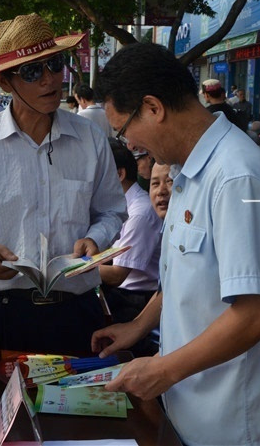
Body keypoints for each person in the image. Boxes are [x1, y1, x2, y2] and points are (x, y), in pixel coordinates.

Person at [93, 43, 260, 446]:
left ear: (153, 107)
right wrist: (139, 326)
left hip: (234, 423)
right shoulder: (186, 170)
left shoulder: (236, 176)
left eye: (124, 130)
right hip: (191, 408)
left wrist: (162, 370)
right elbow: (184, 276)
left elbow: (257, 314)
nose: (130, 145)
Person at [0, 13, 126, 441]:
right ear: (5, 83)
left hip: (76, 314)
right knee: (5, 433)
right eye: (32, 71)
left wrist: (95, 239)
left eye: (55, 65)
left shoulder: (91, 140)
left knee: (77, 431)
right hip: (3, 315)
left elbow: (114, 211)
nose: (49, 79)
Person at [99, 139, 162, 357]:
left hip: (136, 302)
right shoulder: (121, 206)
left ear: (118, 175)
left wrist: (72, 269)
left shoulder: (140, 213)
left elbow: (117, 275)